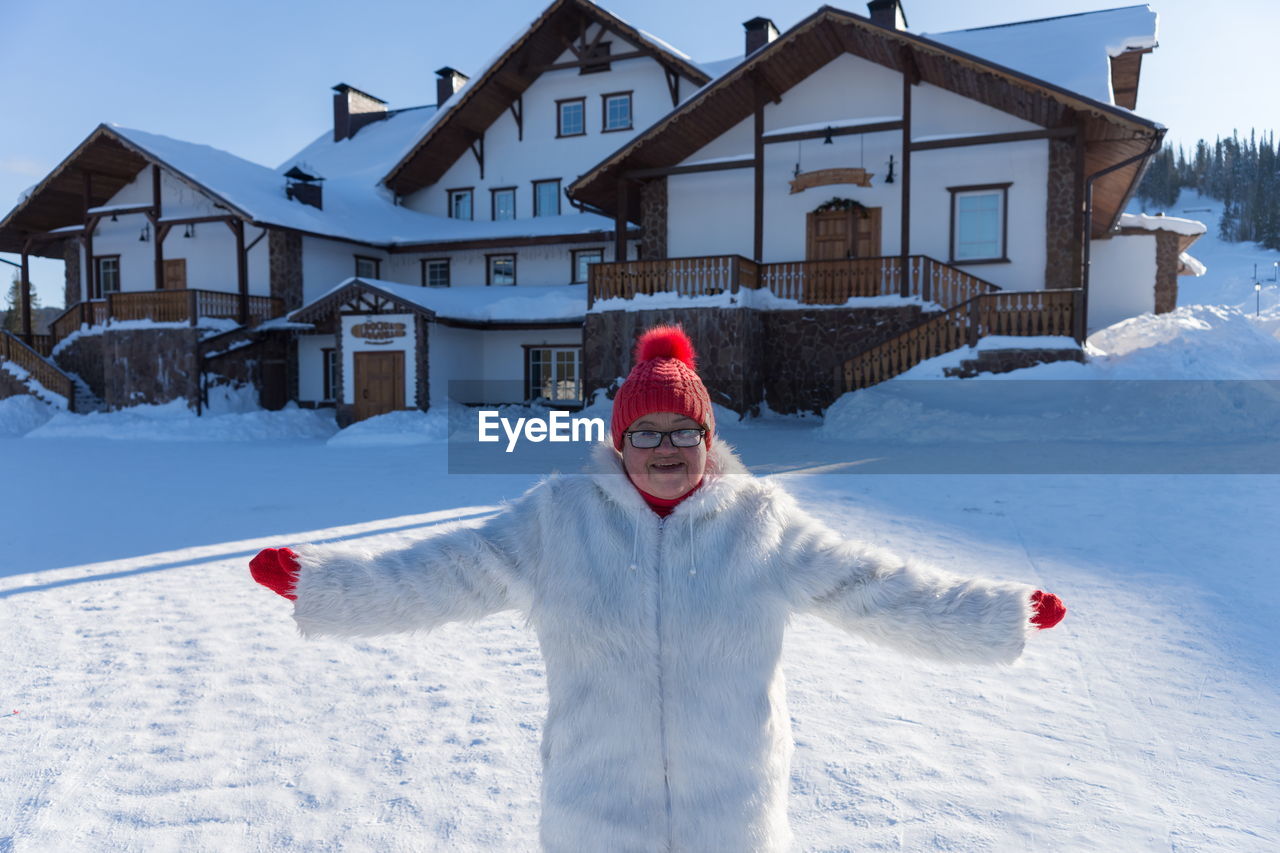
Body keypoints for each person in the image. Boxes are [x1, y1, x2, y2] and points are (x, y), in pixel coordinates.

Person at [250, 325, 1066, 853]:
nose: (665, 448)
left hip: (733, 820)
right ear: (619, 441)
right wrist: (330, 586)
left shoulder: (763, 523)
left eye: (684, 432)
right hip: (593, 818)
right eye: (646, 433)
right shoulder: (558, 520)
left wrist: (996, 615)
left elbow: (878, 587)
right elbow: (442, 573)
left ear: (709, 440)